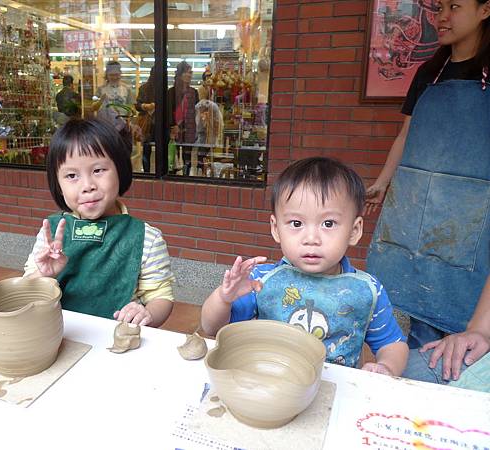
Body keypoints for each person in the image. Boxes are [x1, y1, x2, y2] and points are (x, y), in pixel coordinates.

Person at [365, 0, 490, 384]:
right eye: (439, 8)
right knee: (422, 317)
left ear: (486, 9)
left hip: (472, 219)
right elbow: (404, 136)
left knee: (463, 335)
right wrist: (384, 181)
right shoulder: (429, 71)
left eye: (455, 6)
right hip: (419, 212)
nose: (442, 18)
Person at [201, 157, 408, 376]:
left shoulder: (367, 290)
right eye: (296, 223)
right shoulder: (262, 280)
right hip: (271, 382)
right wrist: (224, 298)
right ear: (276, 228)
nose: (311, 238)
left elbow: (393, 344)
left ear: (354, 231)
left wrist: (386, 367)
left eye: (328, 223)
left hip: (337, 390)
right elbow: (211, 328)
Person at [23, 118, 175, 327]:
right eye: (71, 175)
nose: (87, 186)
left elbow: (161, 296)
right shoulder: (51, 234)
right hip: (61, 335)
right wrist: (43, 274)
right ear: (57, 185)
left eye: (98, 170)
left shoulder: (146, 238)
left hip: (119, 339)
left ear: (120, 171)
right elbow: (26, 294)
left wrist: (146, 313)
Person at [167, 61, 199, 175]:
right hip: (175, 128)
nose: (189, 75)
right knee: (172, 154)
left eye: (191, 72)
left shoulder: (194, 92)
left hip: (190, 128)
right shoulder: (172, 92)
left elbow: (196, 111)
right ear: (180, 74)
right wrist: (172, 126)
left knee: (187, 156)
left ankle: (186, 176)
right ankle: (172, 177)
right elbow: (168, 110)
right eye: (187, 72)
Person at [97, 61, 134, 132]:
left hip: (123, 126)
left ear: (120, 74)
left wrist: (130, 121)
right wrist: (100, 101)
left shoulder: (127, 89)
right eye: (111, 75)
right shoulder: (101, 89)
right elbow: (94, 107)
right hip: (105, 126)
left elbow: (131, 107)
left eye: (116, 74)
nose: (114, 77)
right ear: (107, 75)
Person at [135, 66, 156, 173]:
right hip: (149, 124)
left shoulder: (144, 88)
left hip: (153, 125)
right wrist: (146, 106)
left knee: (146, 150)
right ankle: (153, 173)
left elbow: (137, 105)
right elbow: (137, 105)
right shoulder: (145, 88)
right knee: (148, 150)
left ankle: (147, 173)